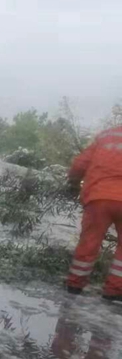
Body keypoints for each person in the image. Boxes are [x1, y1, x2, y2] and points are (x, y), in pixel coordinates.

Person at [65, 125, 122, 304]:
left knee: (89, 242)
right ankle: (113, 292)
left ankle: (74, 285)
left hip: (99, 197)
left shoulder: (107, 135)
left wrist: (73, 182)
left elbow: (80, 163)